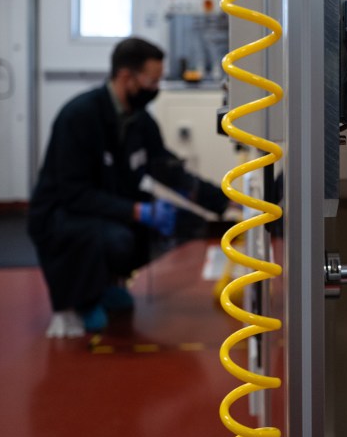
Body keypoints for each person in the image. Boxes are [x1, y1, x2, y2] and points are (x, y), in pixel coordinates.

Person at [28, 37, 228, 338]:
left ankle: (105, 286)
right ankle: (81, 301)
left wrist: (228, 202)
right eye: (152, 81)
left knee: (170, 227)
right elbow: (73, 193)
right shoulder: (79, 117)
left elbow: (169, 171)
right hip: (62, 215)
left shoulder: (139, 121)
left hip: (106, 207)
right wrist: (138, 210)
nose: (156, 89)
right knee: (117, 238)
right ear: (126, 77)